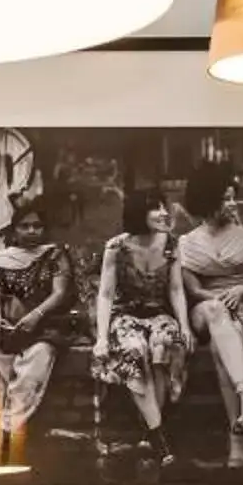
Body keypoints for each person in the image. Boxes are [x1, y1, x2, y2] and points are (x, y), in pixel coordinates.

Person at [175, 161, 243, 466]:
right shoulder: (188, 242)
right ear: (206, 200)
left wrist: (240, 292)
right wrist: (217, 297)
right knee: (215, 311)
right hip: (207, 309)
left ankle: (237, 437)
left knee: (221, 347)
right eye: (224, 198)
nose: (231, 204)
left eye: (233, 197)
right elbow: (192, 290)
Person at [0, 197, 73, 470]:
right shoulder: (1, 261)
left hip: (45, 328)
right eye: (25, 226)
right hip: (10, 330)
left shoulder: (55, 254)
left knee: (37, 360)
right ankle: (11, 423)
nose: (31, 231)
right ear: (14, 230)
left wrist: (35, 315)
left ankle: (8, 431)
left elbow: (60, 293)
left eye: (37, 226)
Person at [91, 187, 189, 470]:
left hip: (159, 314)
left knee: (164, 344)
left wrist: (184, 326)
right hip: (126, 316)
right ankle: (158, 437)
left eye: (163, 206)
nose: (163, 212)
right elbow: (106, 295)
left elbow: (175, 289)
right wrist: (101, 337)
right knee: (135, 349)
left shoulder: (172, 244)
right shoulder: (116, 247)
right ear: (138, 213)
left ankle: (150, 430)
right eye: (154, 208)